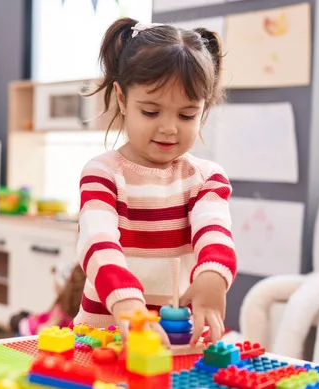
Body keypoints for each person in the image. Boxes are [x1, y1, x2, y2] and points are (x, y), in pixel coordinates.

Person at [74, 17, 237, 347]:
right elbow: (98, 243)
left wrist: (212, 275)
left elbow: (215, 231)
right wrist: (126, 302)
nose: (169, 128)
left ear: (203, 111)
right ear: (122, 99)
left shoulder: (206, 179)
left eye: (186, 115)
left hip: (174, 340)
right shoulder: (102, 174)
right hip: (103, 337)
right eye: (151, 112)